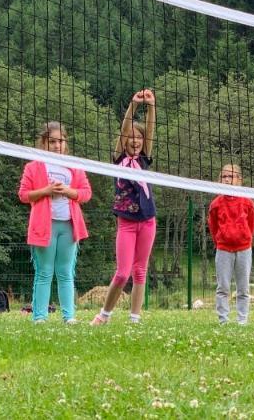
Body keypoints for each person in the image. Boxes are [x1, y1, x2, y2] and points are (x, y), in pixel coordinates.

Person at [92, 89, 157, 326]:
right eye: (132, 138)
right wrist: (134, 105)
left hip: (148, 220)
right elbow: (125, 129)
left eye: (138, 138)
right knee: (122, 273)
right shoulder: (120, 159)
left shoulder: (143, 159)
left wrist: (151, 106)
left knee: (141, 271)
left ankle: (135, 319)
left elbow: (149, 132)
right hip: (127, 222)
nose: (136, 141)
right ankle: (103, 315)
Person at [18, 121, 92, 323]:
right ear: (44, 143)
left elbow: (86, 193)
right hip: (45, 225)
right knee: (44, 272)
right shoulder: (33, 167)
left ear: (65, 143)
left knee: (66, 272)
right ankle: (40, 317)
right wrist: (46, 191)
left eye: (60, 141)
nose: (57, 145)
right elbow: (24, 195)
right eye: (52, 141)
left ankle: (69, 317)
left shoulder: (74, 167)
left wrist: (69, 192)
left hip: (68, 225)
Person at [208, 164, 254, 324]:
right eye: (224, 176)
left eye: (231, 176)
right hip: (223, 249)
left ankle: (242, 320)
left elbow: (252, 224)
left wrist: (245, 239)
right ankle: (223, 320)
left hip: (244, 249)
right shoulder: (216, 204)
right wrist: (221, 241)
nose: (227, 179)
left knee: (243, 288)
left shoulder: (247, 202)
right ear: (219, 179)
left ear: (239, 180)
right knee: (223, 287)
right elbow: (213, 226)